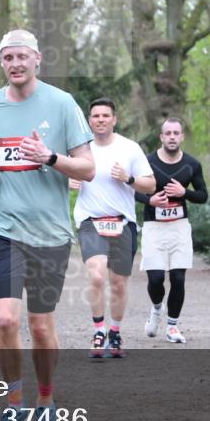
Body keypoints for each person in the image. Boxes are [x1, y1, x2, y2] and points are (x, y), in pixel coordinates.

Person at [0, 29, 95, 421]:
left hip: (49, 233)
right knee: (6, 318)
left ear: (37, 58)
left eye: (22, 56)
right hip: (1, 228)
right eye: (8, 58)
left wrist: (51, 158)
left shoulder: (61, 105)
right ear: (2, 62)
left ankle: (46, 401)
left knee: (41, 327)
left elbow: (88, 169)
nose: (16, 64)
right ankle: (12, 403)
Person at [72, 98, 155, 359]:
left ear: (114, 119)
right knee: (96, 276)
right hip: (90, 221)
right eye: (95, 116)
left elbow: (150, 186)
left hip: (123, 222)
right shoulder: (79, 150)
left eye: (105, 115)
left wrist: (128, 179)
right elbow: (61, 175)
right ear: (89, 120)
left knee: (118, 283)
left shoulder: (129, 148)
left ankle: (115, 332)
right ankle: (99, 331)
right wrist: (69, 182)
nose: (100, 120)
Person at [136, 117, 208, 344]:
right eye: (168, 133)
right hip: (153, 227)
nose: (172, 137)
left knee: (178, 278)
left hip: (179, 228)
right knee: (156, 278)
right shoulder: (146, 162)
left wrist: (183, 192)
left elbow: (203, 195)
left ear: (182, 137)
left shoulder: (192, 164)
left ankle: (173, 326)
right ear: (161, 137)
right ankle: (157, 308)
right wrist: (150, 201)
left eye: (176, 133)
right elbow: (133, 190)